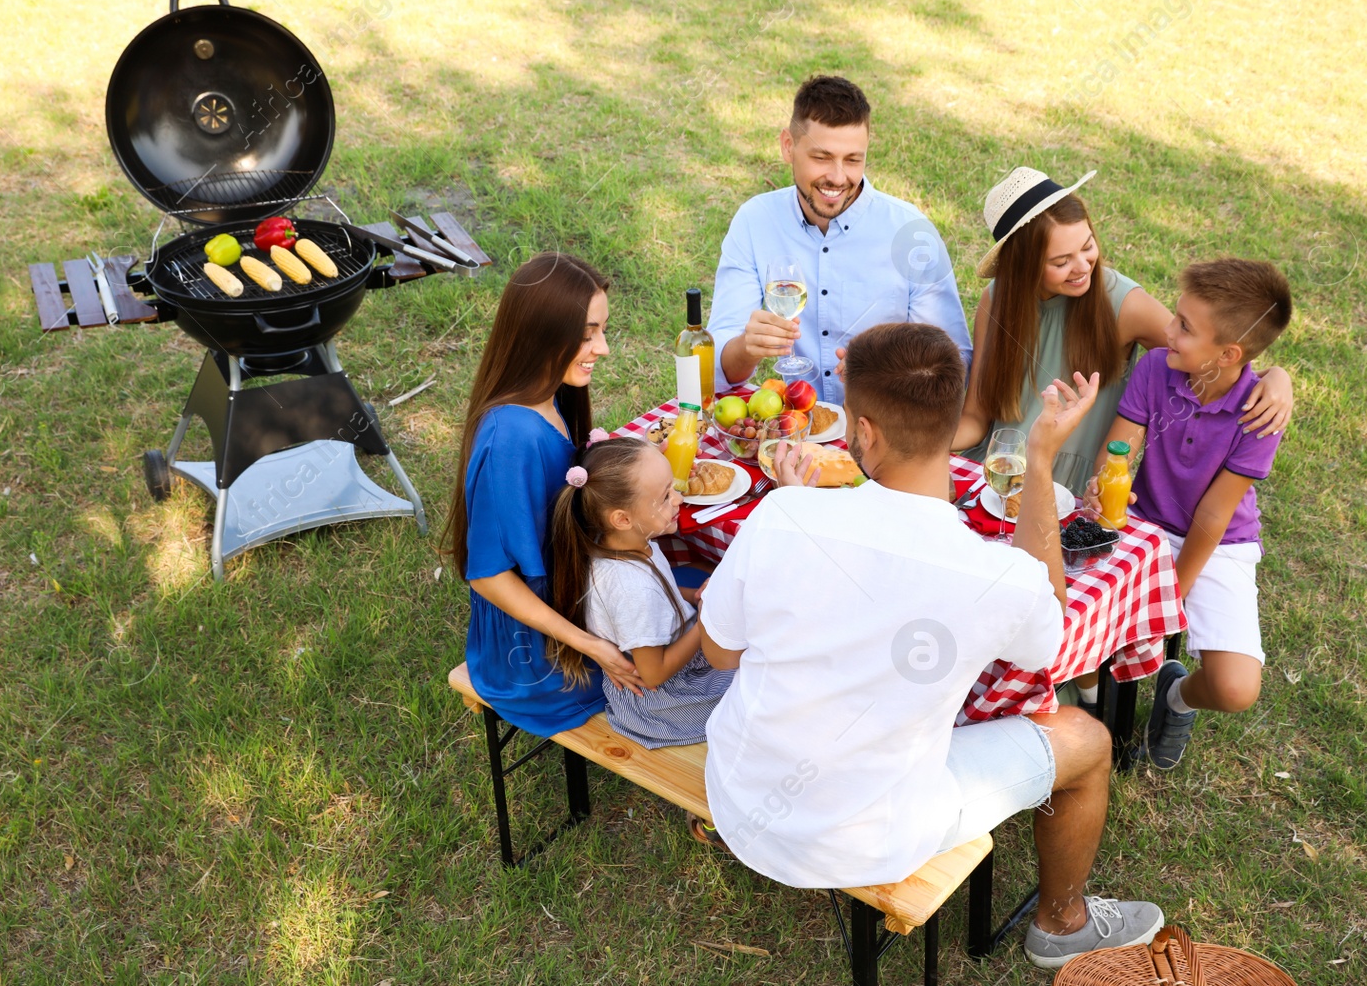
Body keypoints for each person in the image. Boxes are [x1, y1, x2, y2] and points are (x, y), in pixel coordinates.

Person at [697, 322, 1164, 969]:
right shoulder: (989, 574)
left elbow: (720, 654)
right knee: (1086, 739)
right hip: (869, 837)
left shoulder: (781, 512)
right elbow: (1049, 636)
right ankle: (1061, 923)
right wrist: (1039, 461)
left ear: (861, 430)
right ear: (955, 425)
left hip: (739, 790)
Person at [952, 167, 1295, 494]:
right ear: (1023, 265)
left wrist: (1275, 375)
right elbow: (975, 416)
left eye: (1087, 247)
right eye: (1061, 261)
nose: (1083, 266)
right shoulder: (997, 300)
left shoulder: (1123, 303)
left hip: (1067, 488)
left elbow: (1207, 355)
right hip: (998, 469)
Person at [1082, 258, 1293, 770]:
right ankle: (1091, 715)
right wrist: (1104, 483)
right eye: (1175, 318)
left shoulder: (1259, 413)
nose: (1168, 331)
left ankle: (1176, 697)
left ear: (1228, 354)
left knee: (1236, 687)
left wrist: (1173, 592)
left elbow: (1216, 514)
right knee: (1083, 610)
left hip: (1218, 543)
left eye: (1183, 327)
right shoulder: (1158, 367)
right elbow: (1120, 446)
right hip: (1143, 522)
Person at [443, 253, 645, 739]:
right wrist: (594, 647)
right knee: (677, 648)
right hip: (535, 654)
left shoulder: (549, 396)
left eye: (602, 330)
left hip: (569, 591)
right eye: (589, 333)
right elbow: (489, 577)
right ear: (543, 334)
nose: (605, 348)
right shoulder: (511, 436)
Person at [707, 75, 971, 404]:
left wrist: (888, 369)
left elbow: (956, 363)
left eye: (852, 160)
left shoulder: (910, 231)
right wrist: (746, 347)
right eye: (821, 157)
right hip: (799, 424)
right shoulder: (755, 221)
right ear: (788, 146)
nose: (837, 177)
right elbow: (714, 369)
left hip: (890, 429)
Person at [548, 436, 734, 749]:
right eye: (665, 496)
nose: (678, 499)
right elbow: (653, 674)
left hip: (667, 655)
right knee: (756, 673)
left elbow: (663, 594)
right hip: (667, 702)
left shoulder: (620, 542)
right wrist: (706, 620)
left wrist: (691, 597)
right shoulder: (633, 591)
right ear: (622, 519)